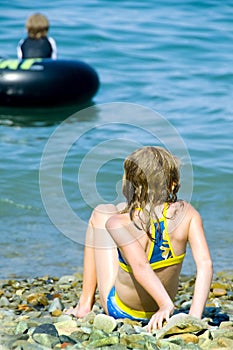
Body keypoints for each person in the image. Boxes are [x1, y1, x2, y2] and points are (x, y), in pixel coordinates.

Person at [65, 146, 213, 331]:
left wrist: (166, 305)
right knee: (111, 211)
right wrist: (194, 316)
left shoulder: (117, 223)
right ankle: (86, 304)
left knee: (100, 213)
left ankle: (84, 305)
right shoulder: (188, 214)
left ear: (129, 185)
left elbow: (140, 266)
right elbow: (205, 265)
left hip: (121, 309)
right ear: (173, 183)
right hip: (160, 311)